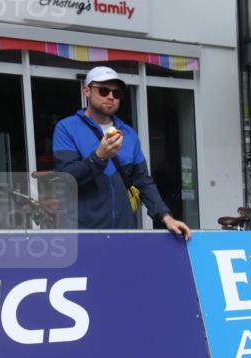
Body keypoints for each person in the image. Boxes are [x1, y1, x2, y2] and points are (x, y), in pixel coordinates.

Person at [53, 66, 191, 239]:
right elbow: (67, 178)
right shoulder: (67, 128)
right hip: (83, 234)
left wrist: (166, 217)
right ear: (87, 91)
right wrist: (99, 156)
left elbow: (144, 182)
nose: (111, 97)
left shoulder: (129, 134)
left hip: (123, 231)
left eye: (116, 93)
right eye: (103, 91)